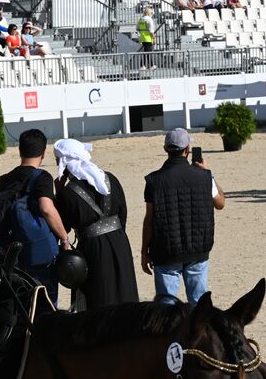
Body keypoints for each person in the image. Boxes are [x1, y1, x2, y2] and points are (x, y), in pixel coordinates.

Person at [52, 139, 137, 310]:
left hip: (92, 248)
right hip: (120, 242)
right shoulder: (111, 179)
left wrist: (59, 193)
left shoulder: (68, 193)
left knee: (99, 296)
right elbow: (123, 214)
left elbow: (62, 226)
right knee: (123, 290)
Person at [141, 128, 223, 305]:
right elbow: (220, 203)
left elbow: (149, 221)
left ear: (166, 149)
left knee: (166, 308)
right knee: (199, 305)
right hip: (198, 248)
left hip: (166, 250)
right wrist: (209, 173)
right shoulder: (204, 177)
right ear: (187, 149)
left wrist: (144, 252)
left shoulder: (154, 180)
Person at [0, 128, 71, 301]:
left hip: (11, 254)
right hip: (39, 253)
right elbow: (46, 208)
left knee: (19, 303)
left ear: (20, 151)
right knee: (44, 302)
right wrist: (64, 238)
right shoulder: (42, 177)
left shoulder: (5, 179)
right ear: (43, 154)